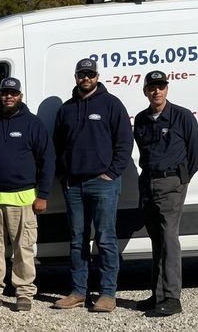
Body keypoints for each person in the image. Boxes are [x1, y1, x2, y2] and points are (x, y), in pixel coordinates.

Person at [52, 58, 133, 312]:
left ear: (97, 76)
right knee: (77, 241)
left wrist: (110, 174)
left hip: (103, 184)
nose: (85, 78)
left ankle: (108, 294)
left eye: (90, 74)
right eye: (81, 74)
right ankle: (78, 291)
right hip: (73, 185)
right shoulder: (66, 109)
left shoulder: (111, 104)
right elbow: (58, 145)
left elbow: (124, 143)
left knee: (106, 239)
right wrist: (64, 176)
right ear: (75, 77)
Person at [0, 77, 54, 312]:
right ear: (0, 95)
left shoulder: (33, 124)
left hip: (24, 199)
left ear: (20, 96)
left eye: (13, 93)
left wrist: (43, 194)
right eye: (5, 92)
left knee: (23, 249)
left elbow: (47, 160)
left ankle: (24, 293)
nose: (9, 96)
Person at [133, 70, 198, 316]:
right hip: (148, 184)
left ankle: (172, 298)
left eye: (161, 86)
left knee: (169, 240)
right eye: (152, 87)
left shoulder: (181, 116)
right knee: (157, 241)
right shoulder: (142, 119)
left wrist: (181, 180)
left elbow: (196, 152)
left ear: (167, 89)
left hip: (171, 185)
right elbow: (143, 151)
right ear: (145, 91)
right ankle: (158, 294)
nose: (156, 91)